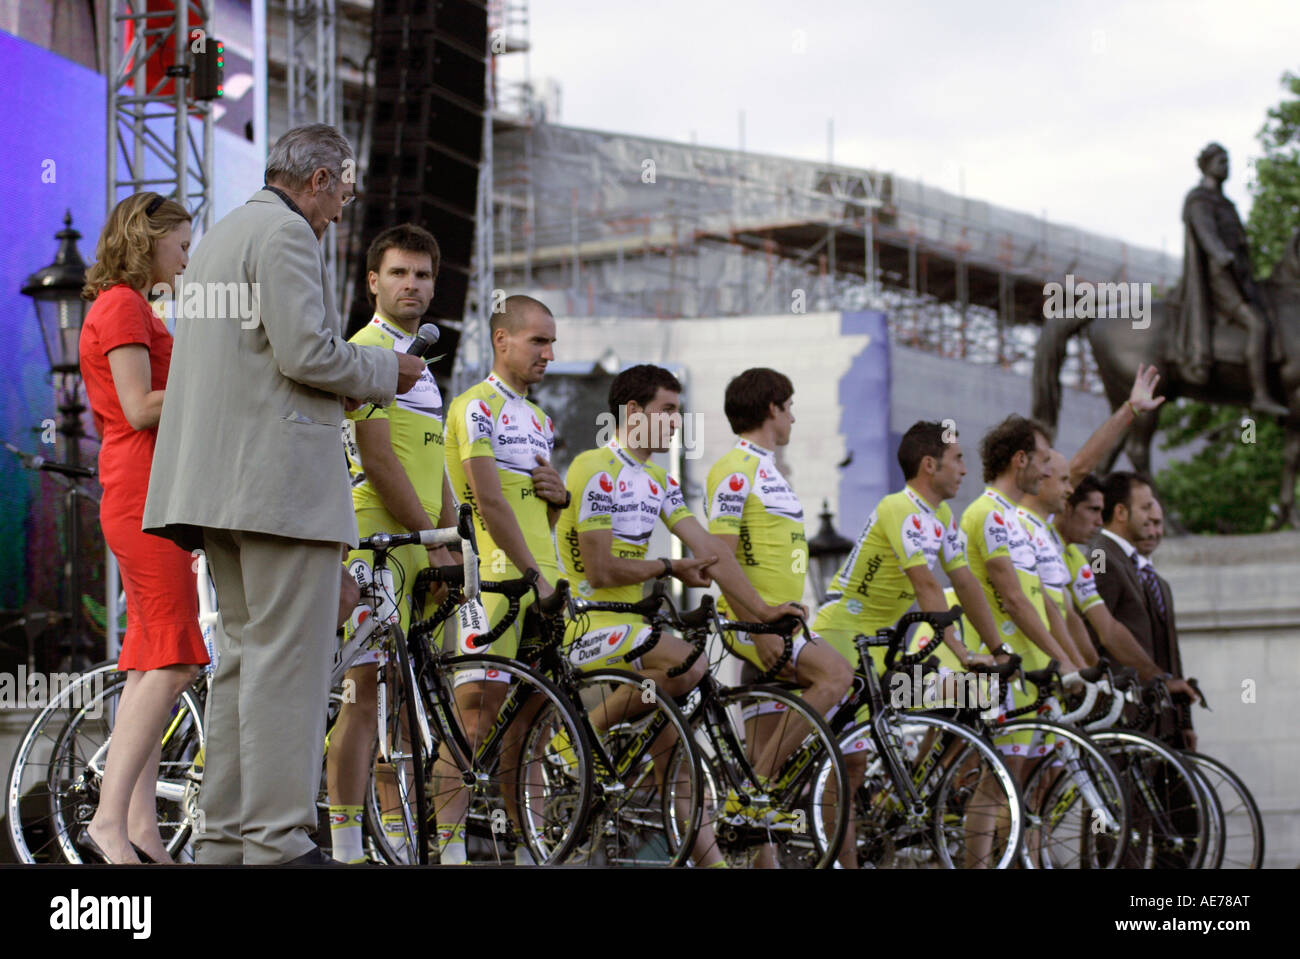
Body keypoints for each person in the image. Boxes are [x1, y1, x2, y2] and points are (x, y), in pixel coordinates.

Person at [142, 124, 425, 865]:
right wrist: (382, 373)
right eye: (344, 192)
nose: (341, 209)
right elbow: (306, 352)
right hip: (276, 489)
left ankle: (228, 841)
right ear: (322, 178)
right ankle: (277, 841)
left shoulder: (219, 238)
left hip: (215, 491)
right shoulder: (286, 234)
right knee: (289, 671)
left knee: (242, 665)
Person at [557, 364, 807, 866]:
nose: (677, 421)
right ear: (632, 412)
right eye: (667, 410)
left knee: (683, 771)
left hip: (637, 632)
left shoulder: (658, 478)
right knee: (690, 664)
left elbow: (712, 550)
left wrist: (761, 612)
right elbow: (603, 570)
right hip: (589, 622)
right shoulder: (593, 466)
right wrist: (669, 565)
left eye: (679, 409)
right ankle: (572, 741)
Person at [76, 192, 208, 864]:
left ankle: (140, 828)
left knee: (152, 662)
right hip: (144, 492)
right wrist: (214, 370)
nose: (187, 257)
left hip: (147, 487)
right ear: (147, 239)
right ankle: (108, 820)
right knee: (176, 657)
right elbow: (139, 405)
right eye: (181, 244)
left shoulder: (127, 305)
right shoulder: (124, 305)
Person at [813, 421, 1004, 866]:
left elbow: (965, 583)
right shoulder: (898, 506)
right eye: (958, 460)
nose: (964, 470)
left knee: (969, 696)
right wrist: (961, 651)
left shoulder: (941, 517)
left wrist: (998, 649)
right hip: (844, 631)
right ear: (929, 464)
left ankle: (904, 802)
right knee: (850, 768)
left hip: (885, 642)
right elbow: (927, 588)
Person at [326, 224, 458, 863]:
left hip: (418, 542)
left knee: (408, 694)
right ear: (373, 281)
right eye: (399, 273)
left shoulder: (422, 366)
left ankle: (401, 835)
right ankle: (348, 846)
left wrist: (453, 535)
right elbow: (378, 460)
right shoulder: (366, 349)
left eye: (424, 275)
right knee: (364, 689)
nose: (412, 285)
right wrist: (431, 537)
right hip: (373, 538)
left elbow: (434, 466)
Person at [439, 293, 563, 865]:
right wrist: (534, 576)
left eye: (551, 342)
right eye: (538, 340)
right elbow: (487, 501)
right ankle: (449, 849)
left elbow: (534, 511)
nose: (548, 353)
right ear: (501, 340)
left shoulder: (540, 420)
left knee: (531, 724)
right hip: (489, 583)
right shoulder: (473, 406)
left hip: (544, 582)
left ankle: (527, 845)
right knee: (473, 715)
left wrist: (558, 504)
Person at [705, 368, 852, 757]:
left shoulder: (770, 469)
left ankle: (752, 800)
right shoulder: (734, 469)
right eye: (789, 408)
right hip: (753, 621)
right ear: (772, 408)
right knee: (837, 675)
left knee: (762, 753)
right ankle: (764, 781)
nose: (793, 418)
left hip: (780, 619)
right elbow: (719, 557)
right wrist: (758, 629)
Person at [960, 416, 1086, 759]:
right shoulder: (987, 513)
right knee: (999, 790)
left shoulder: (1014, 519)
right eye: (1044, 460)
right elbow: (1014, 601)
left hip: (1030, 663)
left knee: (1021, 793)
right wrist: (1064, 660)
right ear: (1020, 459)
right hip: (1002, 664)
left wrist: (1072, 661)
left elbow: (1043, 602)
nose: (1047, 472)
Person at [1173, 142, 1288, 416]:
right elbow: (1206, 234)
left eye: (1228, 161)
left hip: (1238, 277)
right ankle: (1259, 394)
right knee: (1257, 325)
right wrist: (1221, 255)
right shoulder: (1199, 199)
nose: (1226, 166)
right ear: (1207, 165)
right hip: (1219, 279)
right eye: (1221, 161)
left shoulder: (1226, 203)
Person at [1134, 498, 1200, 749]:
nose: (1152, 532)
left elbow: (1174, 658)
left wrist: (1185, 722)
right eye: (1146, 523)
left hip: (1166, 716)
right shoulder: (1102, 557)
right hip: (1134, 707)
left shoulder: (1161, 584)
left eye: (1158, 524)